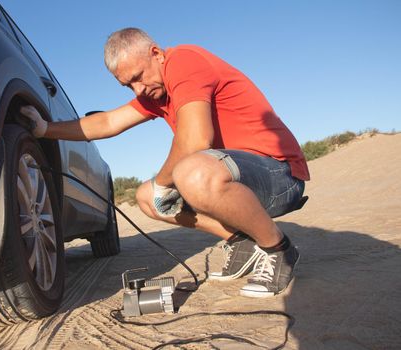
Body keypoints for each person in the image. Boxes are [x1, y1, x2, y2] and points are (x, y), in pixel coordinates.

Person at [20, 27, 310, 298]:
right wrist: (45, 129)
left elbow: (196, 141)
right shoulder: (156, 93)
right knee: (146, 197)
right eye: (127, 85)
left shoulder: (184, 61)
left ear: (156, 54)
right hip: (238, 177)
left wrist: (163, 182)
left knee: (192, 172)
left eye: (138, 77)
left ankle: (278, 249)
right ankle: (242, 242)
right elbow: (108, 121)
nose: (138, 90)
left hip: (280, 174)